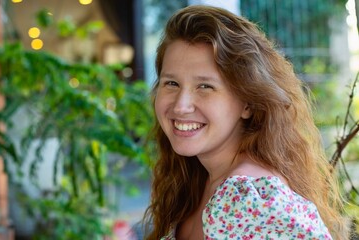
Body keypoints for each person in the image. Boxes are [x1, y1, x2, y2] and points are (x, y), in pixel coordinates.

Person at [143, 5, 346, 240]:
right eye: (171, 83)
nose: (181, 105)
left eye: (205, 86)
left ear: (247, 103)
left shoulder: (250, 199)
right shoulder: (197, 182)